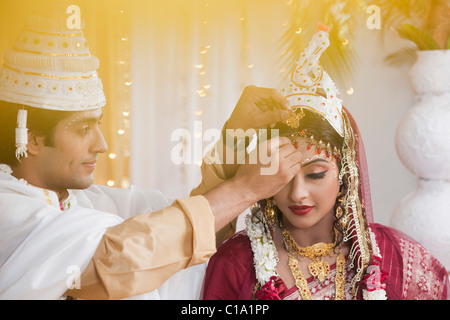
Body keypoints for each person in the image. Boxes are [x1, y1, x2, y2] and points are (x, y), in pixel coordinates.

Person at [0, 2, 301, 299]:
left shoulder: (82, 200)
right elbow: (121, 260)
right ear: (31, 139)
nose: (101, 145)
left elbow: (183, 234)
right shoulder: (10, 211)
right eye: (82, 129)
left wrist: (237, 134)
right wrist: (244, 190)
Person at [201, 30, 449, 300]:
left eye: (316, 174)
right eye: (283, 174)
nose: (298, 194)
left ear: (345, 172)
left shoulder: (395, 257)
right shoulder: (237, 264)